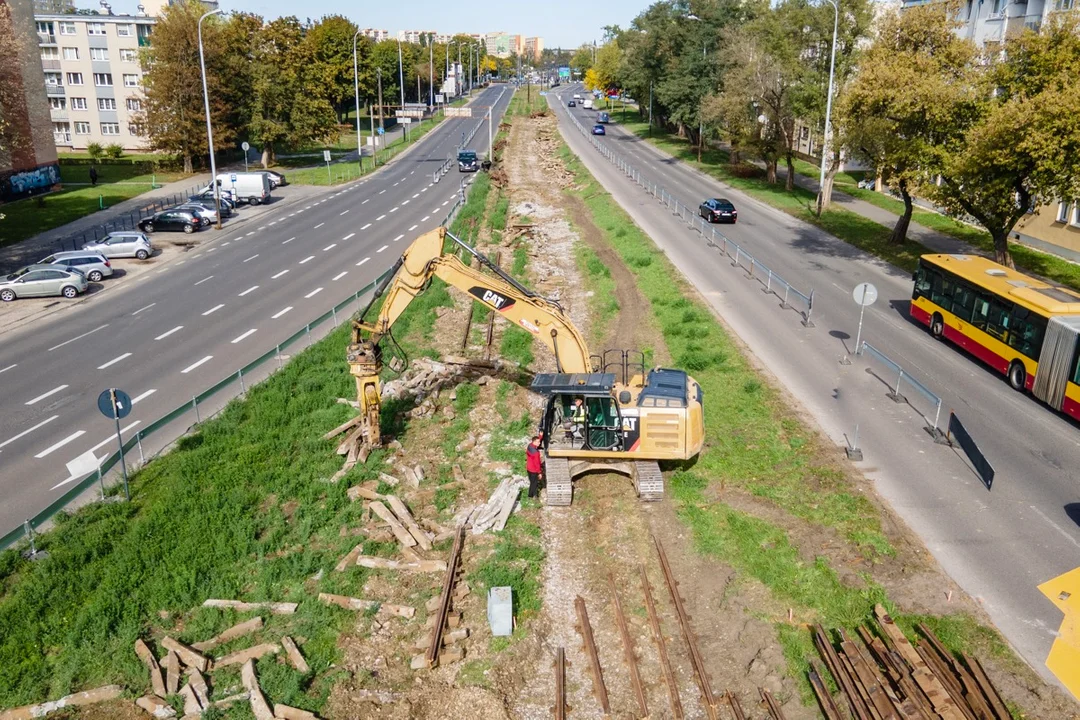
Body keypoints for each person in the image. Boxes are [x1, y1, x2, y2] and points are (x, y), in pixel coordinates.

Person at [526, 433, 543, 499]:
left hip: (528, 468)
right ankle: (530, 496)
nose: (539, 443)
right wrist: (539, 472)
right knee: (534, 483)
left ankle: (534, 495)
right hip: (534, 470)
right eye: (538, 442)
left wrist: (540, 436)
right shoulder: (536, 453)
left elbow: (536, 440)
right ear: (534, 442)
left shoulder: (529, 446)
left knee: (532, 482)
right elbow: (537, 463)